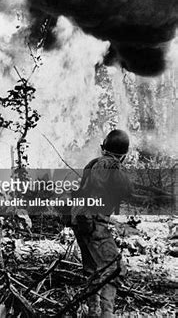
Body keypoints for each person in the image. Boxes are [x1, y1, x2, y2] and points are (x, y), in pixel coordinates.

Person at [71, 129, 134, 317]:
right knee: (114, 269)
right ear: (123, 156)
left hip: (79, 221)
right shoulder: (114, 166)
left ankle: (93, 312)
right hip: (94, 224)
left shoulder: (92, 164)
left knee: (93, 269)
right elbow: (128, 191)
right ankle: (106, 314)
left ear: (103, 148)